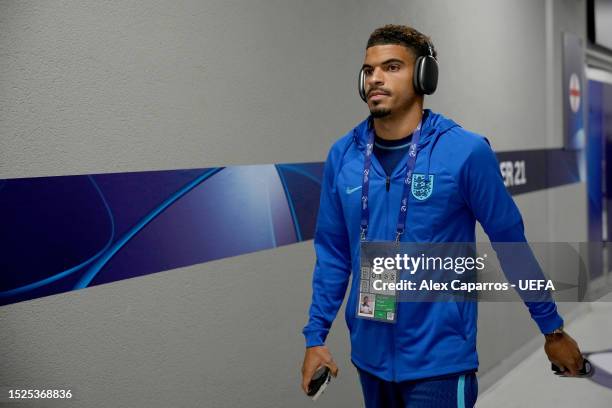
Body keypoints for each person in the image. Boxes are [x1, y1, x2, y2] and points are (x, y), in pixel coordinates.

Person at [300, 24, 585, 407]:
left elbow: (510, 243)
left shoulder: (464, 152)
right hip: (369, 360)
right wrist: (315, 337)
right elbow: (333, 254)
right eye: (369, 70)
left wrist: (551, 328)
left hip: (441, 364)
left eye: (392, 67)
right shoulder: (344, 156)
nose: (376, 79)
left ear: (423, 76)